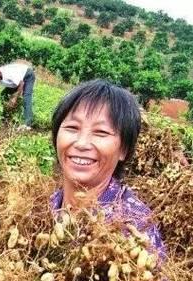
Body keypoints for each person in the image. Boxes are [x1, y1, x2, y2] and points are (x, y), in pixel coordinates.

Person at [49, 79, 166, 260]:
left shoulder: (135, 225)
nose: (81, 143)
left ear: (124, 149)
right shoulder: (45, 205)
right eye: (72, 128)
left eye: (101, 132)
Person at [0, 63, 35, 131]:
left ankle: (27, 124)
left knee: (26, 97)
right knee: (3, 95)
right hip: (15, 82)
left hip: (27, 75)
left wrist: (14, 98)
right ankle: (6, 119)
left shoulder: (8, 74)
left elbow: (21, 83)